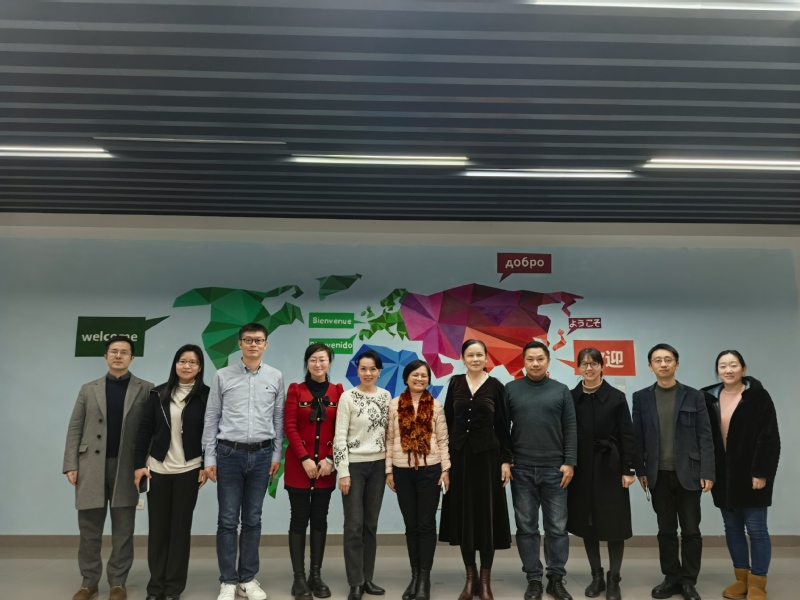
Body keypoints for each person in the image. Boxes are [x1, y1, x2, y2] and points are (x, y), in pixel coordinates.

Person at [63, 335, 154, 600]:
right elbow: (75, 427)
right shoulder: (88, 389)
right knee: (89, 529)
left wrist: (144, 463)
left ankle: (118, 582)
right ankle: (88, 583)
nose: (118, 355)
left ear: (132, 358)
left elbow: (150, 430)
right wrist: (71, 464)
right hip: (90, 466)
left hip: (127, 468)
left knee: (123, 529)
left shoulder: (146, 389)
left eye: (124, 352)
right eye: (113, 351)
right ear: (105, 356)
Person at [202, 323, 285, 600]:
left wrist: (276, 455)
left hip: (262, 456)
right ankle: (228, 580)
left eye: (258, 340)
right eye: (248, 340)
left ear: (266, 344)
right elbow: (212, 417)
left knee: (252, 519)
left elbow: (278, 419)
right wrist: (209, 457)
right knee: (227, 520)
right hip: (228, 455)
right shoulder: (222, 375)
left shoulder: (275, 376)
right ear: (239, 344)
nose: (253, 344)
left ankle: (247, 579)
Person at [632, 343, 715, 600]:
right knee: (666, 529)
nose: (663, 364)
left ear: (677, 364)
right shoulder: (641, 397)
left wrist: (708, 471)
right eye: (658, 360)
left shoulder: (694, 396)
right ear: (650, 366)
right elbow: (638, 437)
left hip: (689, 473)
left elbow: (705, 435)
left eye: (668, 359)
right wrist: (640, 470)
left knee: (690, 530)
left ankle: (688, 581)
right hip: (657, 474)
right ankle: (671, 577)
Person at [702, 350, 780, 600]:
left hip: (752, 473)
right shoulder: (708, 398)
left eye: (733, 365)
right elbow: (703, 438)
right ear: (717, 371)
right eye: (723, 366)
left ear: (743, 369)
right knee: (732, 529)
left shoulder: (758, 396)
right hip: (722, 476)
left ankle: (758, 583)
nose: (728, 370)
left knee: (756, 530)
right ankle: (741, 579)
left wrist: (761, 472)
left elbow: (769, 437)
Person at [134, 344, 210, 600]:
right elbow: (145, 430)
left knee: (180, 530)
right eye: (182, 361)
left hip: (189, 469)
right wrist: (139, 464)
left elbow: (212, 433)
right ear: (175, 364)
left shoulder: (206, 395)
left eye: (193, 362)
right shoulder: (158, 393)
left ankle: (173, 588)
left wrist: (205, 464)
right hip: (157, 469)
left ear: (200, 367)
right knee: (158, 531)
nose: (187, 366)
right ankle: (155, 587)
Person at [440, 339, 514, 600]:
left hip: (488, 459)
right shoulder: (455, 384)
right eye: (470, 355)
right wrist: (445, 464)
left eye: (479, 355)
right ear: (462, 358)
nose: (475, 359)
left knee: (486, 518)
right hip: (459, 458)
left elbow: (503, 426)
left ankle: (484, 581)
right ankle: (470, 578)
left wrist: (506, 460)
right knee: (464, 517)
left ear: (486, 358)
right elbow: (447, 422)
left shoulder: (496, 386)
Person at [505, 341, 577, 600]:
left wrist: (570, 462)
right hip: (521, 469)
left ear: (548, 361)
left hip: (555, 470)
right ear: (523, 362)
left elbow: (570, 427)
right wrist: (506, 459)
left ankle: (555, 579)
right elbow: (502, 429)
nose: (535, 363)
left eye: (540, 359)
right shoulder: (511, 389)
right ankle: (534, 579)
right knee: (526, 527)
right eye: (530, 359)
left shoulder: (561, 390)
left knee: (557, 528)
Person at [567, 348, 636, 600]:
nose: (589, 368)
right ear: (578, 367)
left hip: (611, 467)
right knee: (588, 524)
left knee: (614, 523)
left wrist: (629, 469)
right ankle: (596, 576)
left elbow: (627, 435)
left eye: (594, 363)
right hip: (582, 469)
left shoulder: (616, 397)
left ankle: (614, 578)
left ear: (602, 366)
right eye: (584, 364)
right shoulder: (571, 397)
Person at [385, 360, 451, 600]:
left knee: (426, 524)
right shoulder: (394, 405)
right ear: (406, 378)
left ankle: (424, 578)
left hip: (430, 470)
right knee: (411, 525)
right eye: (415, 375)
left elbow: (442, 440)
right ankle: (414, 576)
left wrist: (446, 469)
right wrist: (388, 471)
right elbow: (389, 440)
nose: (420, 379)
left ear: (429, 379)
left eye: (424, 375)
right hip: (402, 471)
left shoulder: (436, 406)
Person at [284, 343, 345, 600]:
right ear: (307, 363)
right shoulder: (295, 390)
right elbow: (289, 426)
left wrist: (330, 459)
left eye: (322, 359)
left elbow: (342, 428)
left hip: (326, 469)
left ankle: (315, 575)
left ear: (329, 362)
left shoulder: (338, 391)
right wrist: (305, 459)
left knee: (320, 519)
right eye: (312, 360)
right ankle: (299, 578)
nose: (317, 364)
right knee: (299, 519)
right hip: (300, 467)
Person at [333, 350, 392, 600]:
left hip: (378, 466)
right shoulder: (347, 397)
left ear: (379, 371)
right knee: (354, 525)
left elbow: (389, 435)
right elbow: (339, 437)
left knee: (370, 525)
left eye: (373, 369)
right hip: (354, 468)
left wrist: (389, 469)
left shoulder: (386, 396)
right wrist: (343, 472)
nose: (368, 373)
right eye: (363, 369)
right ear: (357, 371)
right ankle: (355, 582)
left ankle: (367, 578)